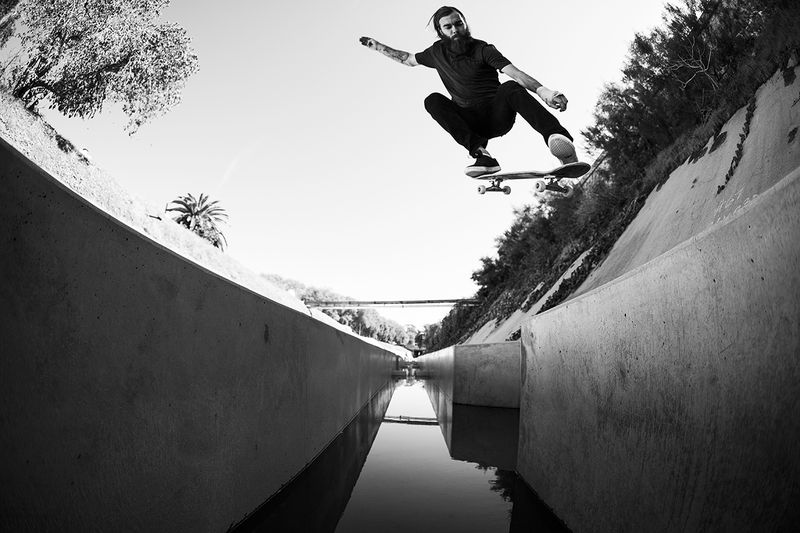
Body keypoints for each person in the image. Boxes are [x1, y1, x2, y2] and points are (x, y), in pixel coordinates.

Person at [360, 6, 578, 177]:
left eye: (458, 24)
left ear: (465, 24)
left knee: (510, 87)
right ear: (440, 32)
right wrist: (377, 46)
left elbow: (516, 74)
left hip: (496, 116)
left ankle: (559, 141)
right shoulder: (436, 53)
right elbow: (408, 59)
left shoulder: (482, 49)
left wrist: (546, 92)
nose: (455, 30)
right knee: (432, 100)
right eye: (448, 27)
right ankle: (482, 156)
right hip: (470, 123)